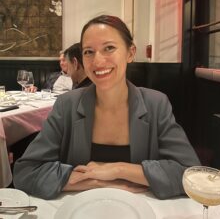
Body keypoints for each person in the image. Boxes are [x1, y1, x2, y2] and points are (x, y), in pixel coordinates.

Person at [13, 15, 200, 200]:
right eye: (88, 52)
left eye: (109, 48)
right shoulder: (66, 105)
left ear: (130, 53)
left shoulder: (156, 104)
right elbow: (26, 171)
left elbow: (190, 175)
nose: (98, 61)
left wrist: (119, 169)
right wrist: (97, 182)